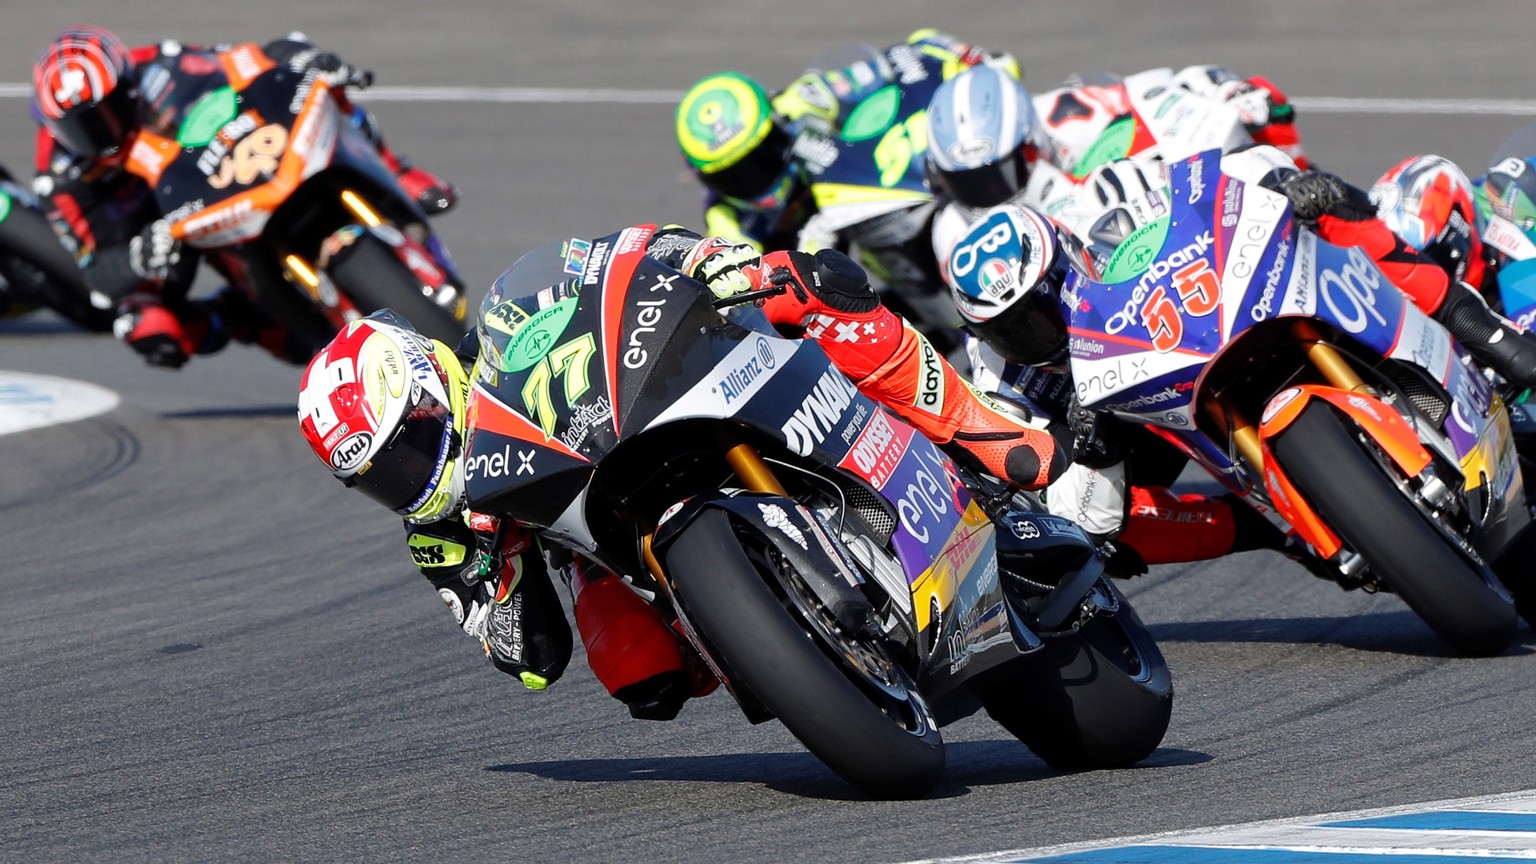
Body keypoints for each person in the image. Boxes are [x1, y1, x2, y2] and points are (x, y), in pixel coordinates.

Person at [298, 225, 1062, 718]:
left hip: (663, 399)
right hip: (604, 533)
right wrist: (500, 575)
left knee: (806, 281)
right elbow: (533, 661)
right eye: (380, 474)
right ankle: (775, 640)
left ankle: (979, 431)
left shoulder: (506, 325)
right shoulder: (440, 531)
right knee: (642, 676)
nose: (408, 472)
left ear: (433, 378)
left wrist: (707, 263)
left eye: (413, 438)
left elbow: (619, 255)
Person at [30, 26, 459, 368]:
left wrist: (303, 60)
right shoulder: (61, 175)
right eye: (80, 126)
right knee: (141, 324)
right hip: (161, 228)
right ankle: (246, 319)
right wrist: (138, 256)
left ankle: (397, 171)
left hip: (226, 168)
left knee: (327, 86)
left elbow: (246, 61)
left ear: (126, 87)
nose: (97, 134)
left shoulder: (160, 66)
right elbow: (95, 273)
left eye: (104, 114)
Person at [675, 30, 1019, 350]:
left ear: (775, 123)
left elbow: (884, 68)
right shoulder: (728, 221)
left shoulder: (803, 100)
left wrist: (946, 55)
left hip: (860, 200)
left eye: (759, 156)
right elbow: (744, 296)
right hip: (804, 269)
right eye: (732, 176)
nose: (753, 179)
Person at [926, 62, 1307, 276]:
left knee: (1265, 113)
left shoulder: (1070, 113)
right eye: (966, 183)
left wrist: (1221, 94)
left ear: (1031, 143)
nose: (987, 193)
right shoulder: (954, 232)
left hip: (1166, 235)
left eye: (998, 174)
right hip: (1096, 323)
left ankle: (1317, 217)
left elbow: (1154, 93)